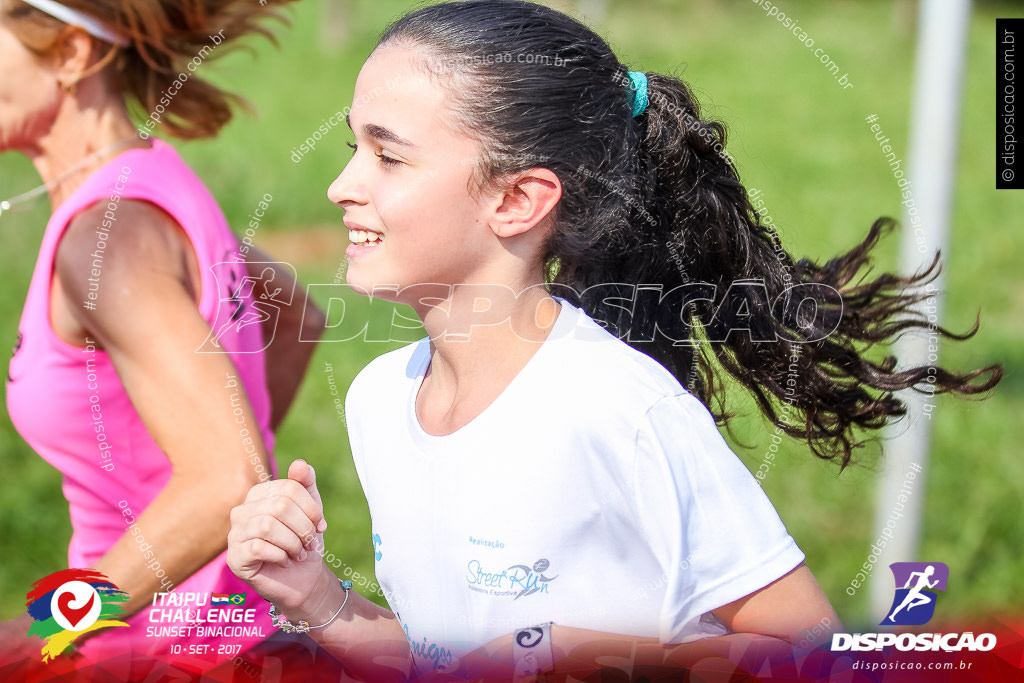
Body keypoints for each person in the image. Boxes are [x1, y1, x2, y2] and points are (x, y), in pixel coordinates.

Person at [226, 1, 1001, 679]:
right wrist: (314, 593)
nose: (341, 185)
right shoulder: (378, 401)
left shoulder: (618, 410)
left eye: (388, 155)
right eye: (350, 147)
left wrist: (575, 651)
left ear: (519, 199)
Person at [0, 0, 323, 670]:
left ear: (70, 55)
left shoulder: (108, 235)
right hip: (225, 635)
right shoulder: (148, 183)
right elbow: (294, 313)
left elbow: (226, 479)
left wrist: (48, 631)